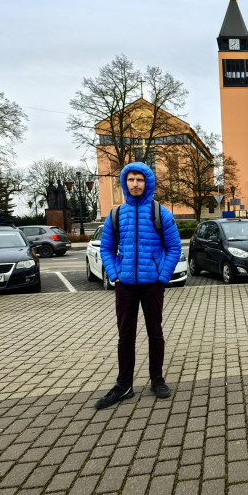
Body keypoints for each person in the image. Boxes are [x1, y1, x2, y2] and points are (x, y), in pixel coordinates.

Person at [94, 162, 182, 408]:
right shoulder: (116, 214)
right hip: (125, 286)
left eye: (139, 180)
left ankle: (157, 379)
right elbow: (106, 248)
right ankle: (124, 386)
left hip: (152, 285)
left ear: (147, 183)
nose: (135, 184)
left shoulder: (160, 213)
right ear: (125, 183)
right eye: (131, 180)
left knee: (155, 333)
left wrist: (161, 276)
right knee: (125, 337)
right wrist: (115, 274)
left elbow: (174, 248)